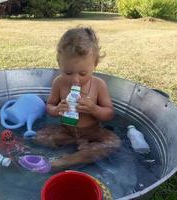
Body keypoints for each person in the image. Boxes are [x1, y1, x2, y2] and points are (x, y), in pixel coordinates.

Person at [33, 27, 121, 170]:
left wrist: (94, 109)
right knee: (39, 137)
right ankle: (80, 146)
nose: (75, 79)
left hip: (92, 131)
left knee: (113, 142)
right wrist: (57, 109)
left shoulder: (99, 85)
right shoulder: (59, 82)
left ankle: (70, 159)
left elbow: (109, 113)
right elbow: (49, 106)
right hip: (66, 130)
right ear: (59, 64)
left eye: (83, 73)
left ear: (95, 65)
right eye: (68, 72)